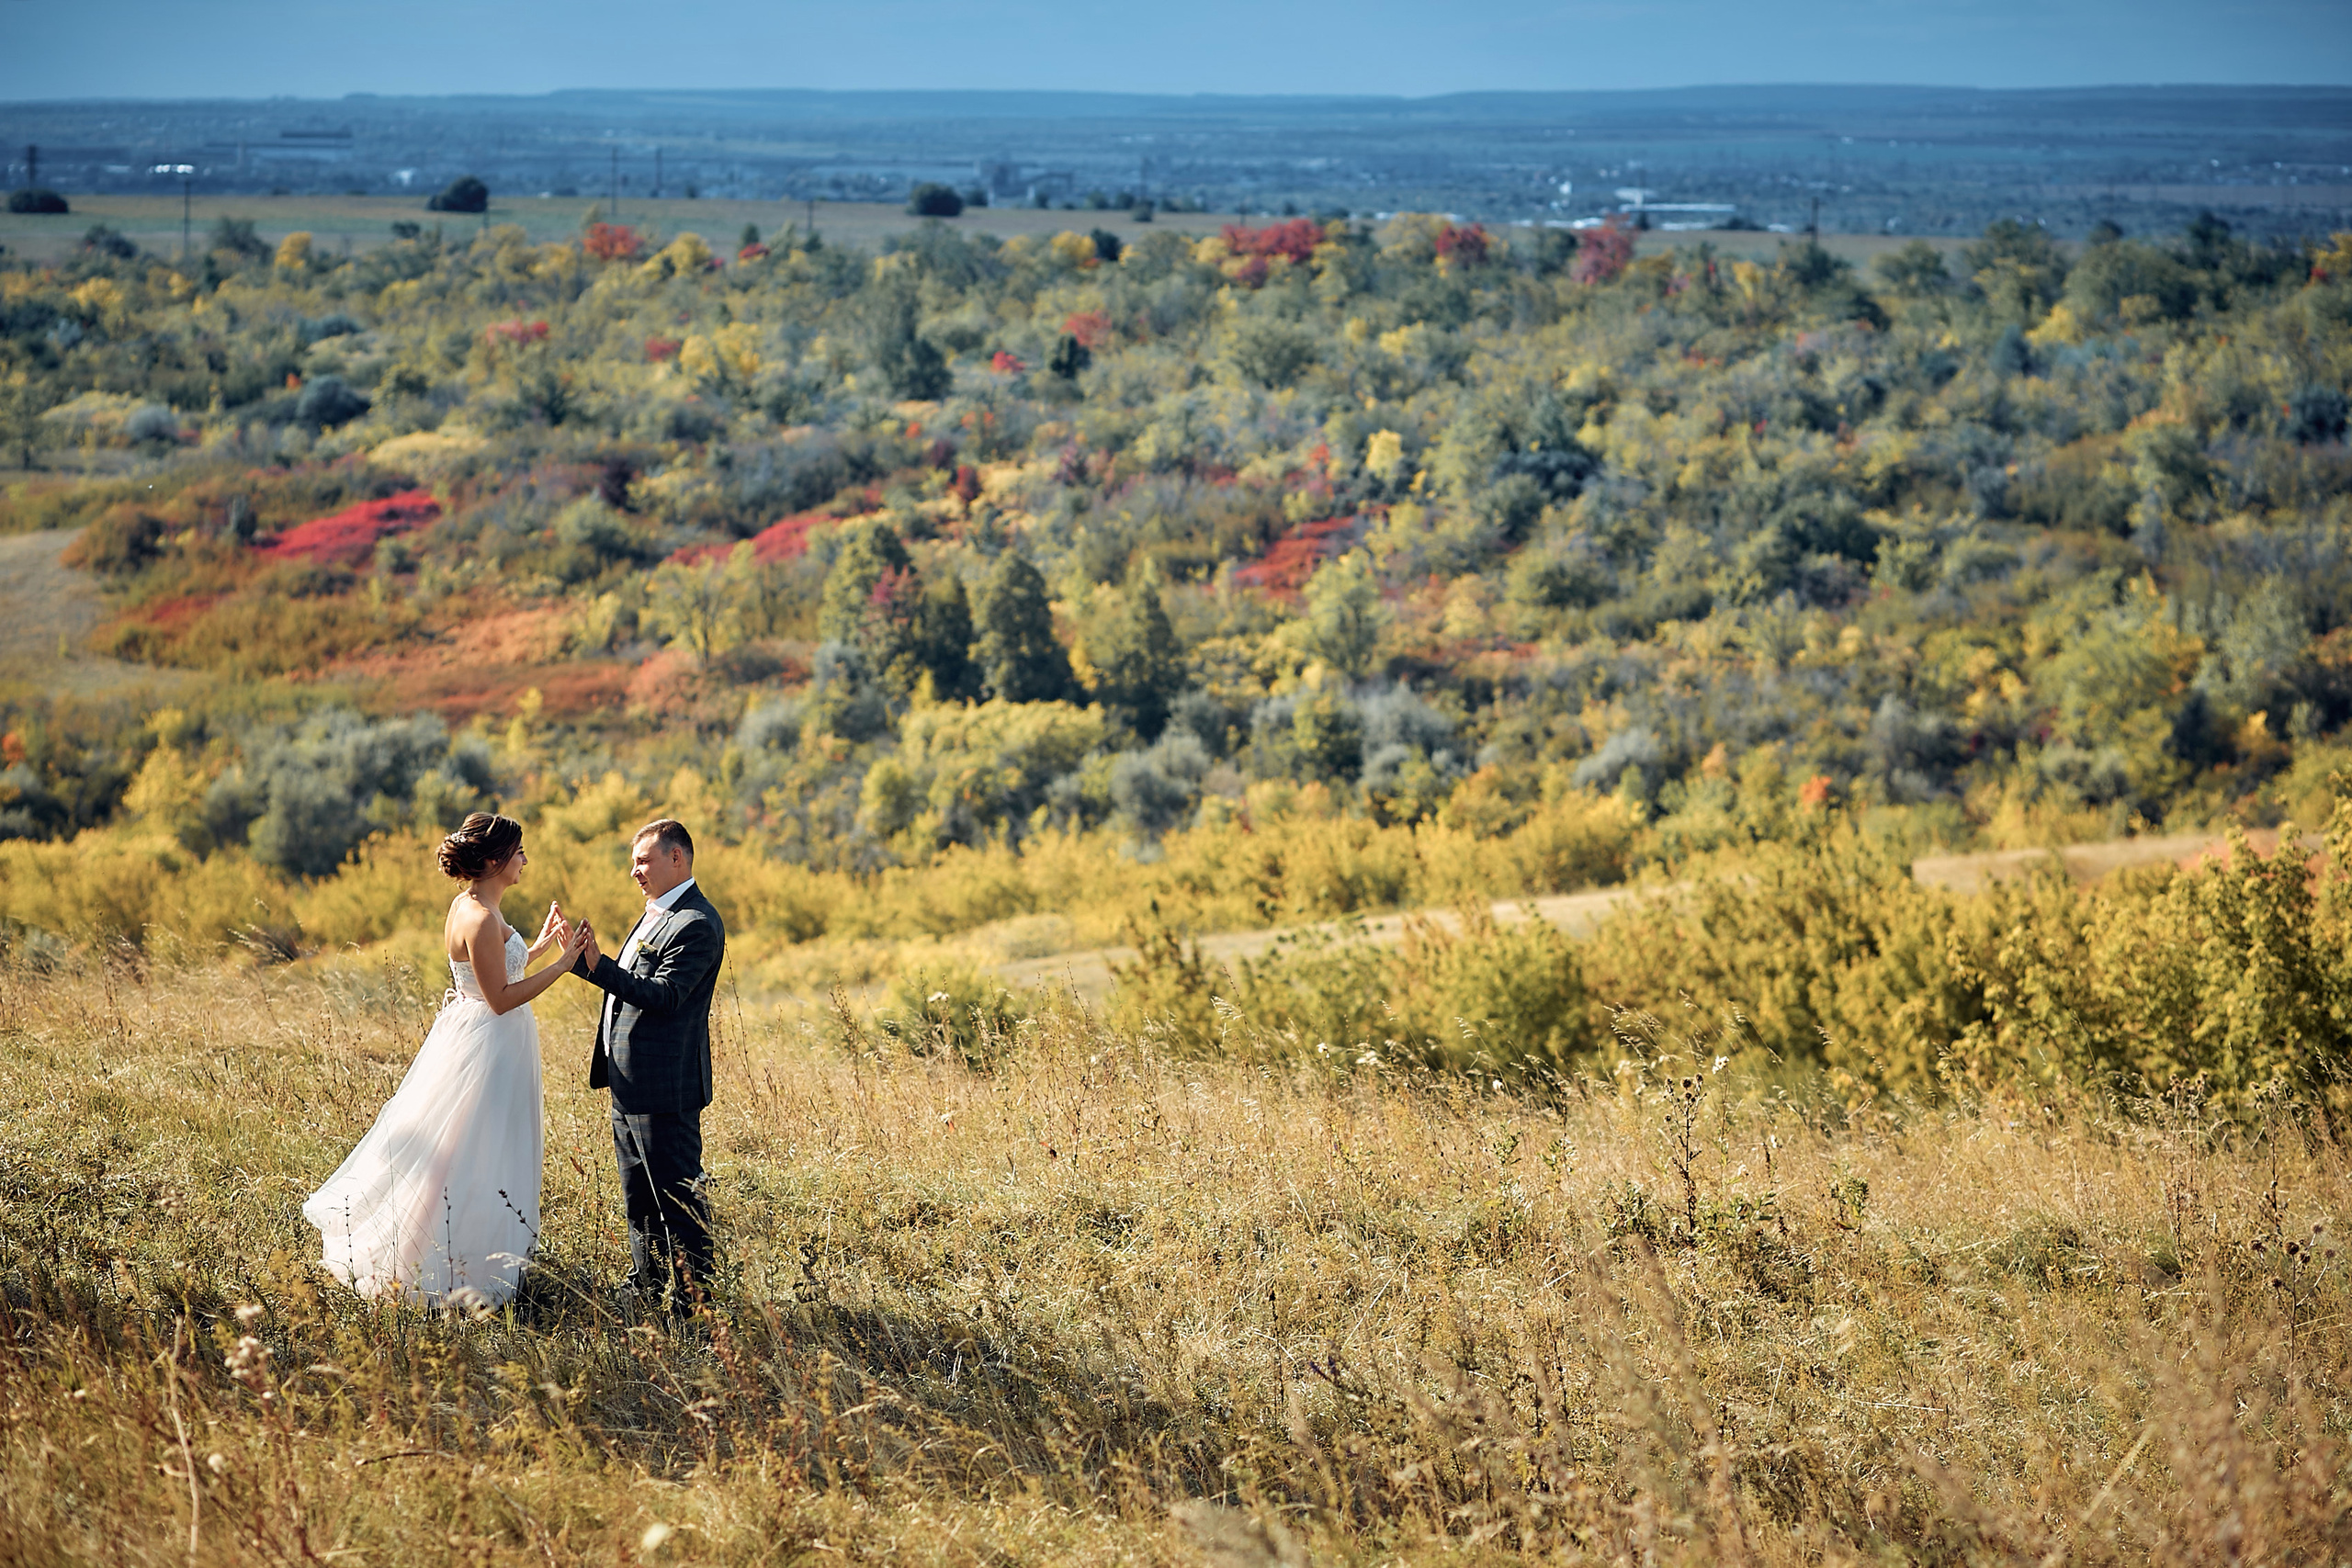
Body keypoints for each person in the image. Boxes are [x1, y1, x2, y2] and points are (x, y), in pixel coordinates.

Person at [304, 812, 589, 1307]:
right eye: (519, 851)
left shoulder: (474, 904)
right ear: (497, 860)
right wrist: (564, 965)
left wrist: (539, 945)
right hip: (489, 1043)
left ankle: (468, 1255)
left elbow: (497, 969)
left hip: (488, 1039)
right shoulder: (477, 917)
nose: (525, 860)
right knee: (473, 1155)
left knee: (475, 1150)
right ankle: (455, 1266)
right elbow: (499, 997)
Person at [571, 818, 728, 1304]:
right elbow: (630, 987)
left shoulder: (697, 923)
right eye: (634, 862)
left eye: (644, 861)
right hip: (629, 1085)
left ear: (677, 858)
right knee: (638, 1199)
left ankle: (695, 1303)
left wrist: (601, 966)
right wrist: (580, 960)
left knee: (678, 1200)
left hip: (666, 1087)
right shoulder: (656, 912)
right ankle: (648, 1284)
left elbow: (664, 997)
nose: (634, 872)